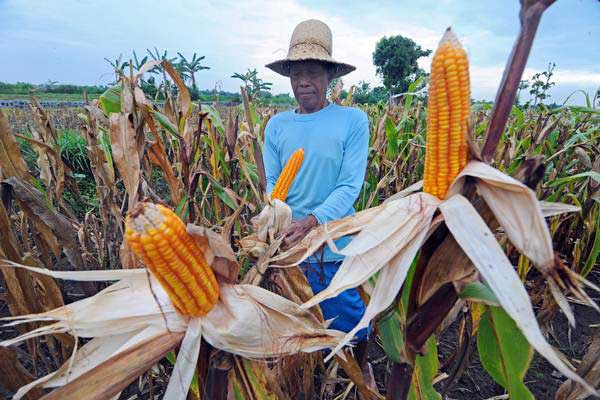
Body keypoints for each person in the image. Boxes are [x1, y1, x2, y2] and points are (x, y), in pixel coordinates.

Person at [263, 19, 373, 376]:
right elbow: (272, 182)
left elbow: (349, 186)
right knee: (297, 326)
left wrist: (312, 222)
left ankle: (358, 378)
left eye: (312, 72)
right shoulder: (276, 126)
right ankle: (310, 380)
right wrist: (272, 218)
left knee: (348, 322)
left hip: (333, 244)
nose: (303, 82)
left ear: (330, 77)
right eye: (296, 73)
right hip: (288, 246)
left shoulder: (352, 121)